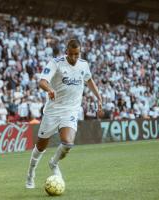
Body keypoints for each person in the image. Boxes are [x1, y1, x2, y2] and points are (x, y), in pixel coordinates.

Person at [25, 39, 103, 189]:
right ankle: (30, 173)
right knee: (40, 146)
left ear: (80, 52)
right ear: (66, 51)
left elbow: (89, 80)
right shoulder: (56, 63)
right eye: (71, 54)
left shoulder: (84, 65)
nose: (74, 58)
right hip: (53, 111)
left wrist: (99, 97)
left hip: (70, 111)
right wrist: (49, 90)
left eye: (77, 54)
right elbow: (42, 81)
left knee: (67, 143)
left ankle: (53, 163)